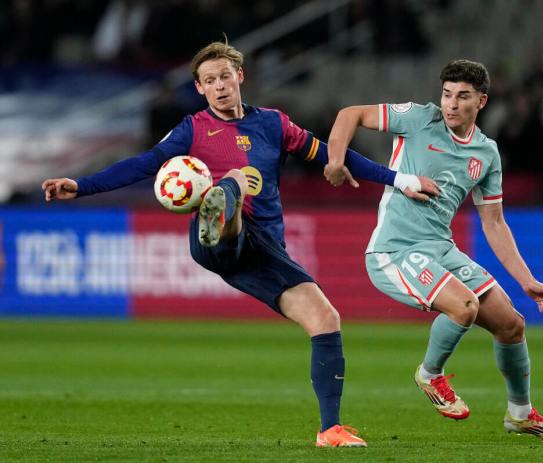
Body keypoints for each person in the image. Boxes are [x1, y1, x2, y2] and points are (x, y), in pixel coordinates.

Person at [41, 39, 438, 448]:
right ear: (199, 88)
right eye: (209, 81)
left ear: (240, 77)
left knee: (325, 318)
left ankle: (329, 430)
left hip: (263, 252)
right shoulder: (192, 129)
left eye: (225, 77)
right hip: (216, 241)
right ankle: (222, 208)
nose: (219, 86)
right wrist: (82, 186)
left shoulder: (273, 124)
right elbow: (143, 165)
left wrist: (402, 181)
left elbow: (330, 155)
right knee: (236, 178)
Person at [324, 59, 543, 444]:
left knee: (511, 324)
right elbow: (349, 114)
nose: (451, 104)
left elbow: (494, 222)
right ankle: (429, 374)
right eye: (446, 94)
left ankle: (521, 414)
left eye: (462, 96)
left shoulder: (486, 153)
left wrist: (527, 280)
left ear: (482, 101)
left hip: (440, 249)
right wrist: (336, 159)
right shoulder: (418, 119)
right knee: (464, 306)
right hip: (395, 250)